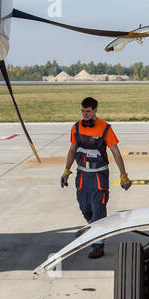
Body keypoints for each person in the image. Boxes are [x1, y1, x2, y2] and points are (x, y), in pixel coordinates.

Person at [61, 96, 131, 258]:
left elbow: (116, 153)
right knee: (85, 208)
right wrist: (66, 171)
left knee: (98, 210)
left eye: (88, 111)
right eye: (83, 111)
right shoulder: (76, 128)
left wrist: (123, 175)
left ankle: (98, 245)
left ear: (95, 110)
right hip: (82, 176)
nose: (85, 114)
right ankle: (94, 229)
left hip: (99, 176)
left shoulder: (105, 128)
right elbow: (72, 150)